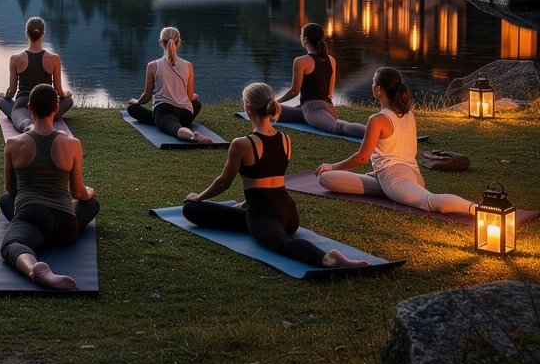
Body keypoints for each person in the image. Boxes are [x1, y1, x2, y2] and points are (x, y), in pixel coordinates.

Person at [181, 82, 367, 270]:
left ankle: (328, 259)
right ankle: (249, 213)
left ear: (248, 108)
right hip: (290, 215)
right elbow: (267, 176)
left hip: (263, 215)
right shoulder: (286, 139)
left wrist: (200, 196)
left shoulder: (242, 144)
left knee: (193, 209)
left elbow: (223, 183)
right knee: (246, 219)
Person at [315, 67, 475, 214]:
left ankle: (476, 209)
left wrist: (332, 165)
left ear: (378, 89)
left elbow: (362, 157)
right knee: (326, 178)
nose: (372, 85)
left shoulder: (377, 119)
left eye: (373, 82)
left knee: (429, 201)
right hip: (407, 176)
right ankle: (392, 192)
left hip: (396, 177)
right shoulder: (409, 115)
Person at [0, 83, 99, 290]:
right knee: (92, 204)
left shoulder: (13, 144)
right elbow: (78, 193)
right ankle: (42, 237)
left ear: (30, 108)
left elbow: (11, 191)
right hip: (65, 226)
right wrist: (89, 191)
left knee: (11, 241)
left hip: (32, 217)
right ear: (56, 109)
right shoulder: (73, 144)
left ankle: (32, 268)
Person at [274, 23, 366, 139]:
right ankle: (274, 108)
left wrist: (277, 101)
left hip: (314, 110)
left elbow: (294, 91)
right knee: (273, 111)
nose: (301, 37)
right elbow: (329, 94)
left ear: (305, 39)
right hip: (323, 109)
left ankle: (372, 133)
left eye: (301, 35)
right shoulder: (331, 60)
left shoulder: (301, 61)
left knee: (339, 128)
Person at [127, 26, 211, 144]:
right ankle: (163, 121)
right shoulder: (188, 65)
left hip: (164, 110)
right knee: (196, 104)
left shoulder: (153, 65)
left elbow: (147, 96)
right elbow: (190, 96)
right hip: (185, 114)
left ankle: (193, 136)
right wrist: (193, 96)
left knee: (132, 109)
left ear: (161, 42)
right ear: (179, 43)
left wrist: (137, 102)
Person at [0, 16, 74, 133]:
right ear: (43, 33)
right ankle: (44, 123)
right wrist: (65, 94)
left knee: (1, 101)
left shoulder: (16, 59)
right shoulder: (54, 59)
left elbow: (11, 92)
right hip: (46, 104)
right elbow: (58, 91)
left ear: (27, 33)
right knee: (69, 101)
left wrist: (5, 95)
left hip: (23, 103)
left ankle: (28, 125)